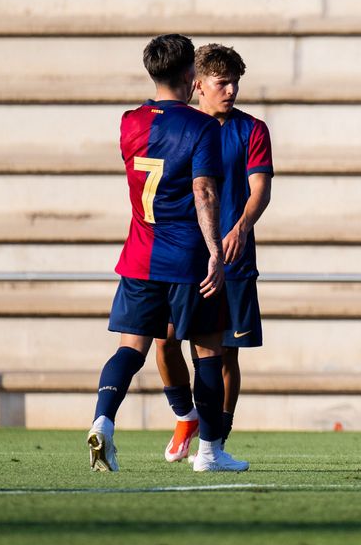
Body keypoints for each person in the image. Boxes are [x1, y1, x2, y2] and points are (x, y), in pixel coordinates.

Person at [87, 33, 246, 473]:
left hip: (139, 255)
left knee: (130, 350)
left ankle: (103, 420)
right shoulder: (201, 126)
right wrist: (215, 251)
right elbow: (205, 191)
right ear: (191, 75)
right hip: (188, 259)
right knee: (209, 353)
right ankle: (210, 453)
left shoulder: (129, 121)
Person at [155, 44, 273, 463]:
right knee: (165, 340)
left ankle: (216, 440)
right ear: (198, 84)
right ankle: (185, 415)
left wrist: (241, 226)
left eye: (236, 81)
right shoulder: (178, 127)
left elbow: (261, 187)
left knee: (225, 351)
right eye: (222, 82)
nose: (232, 90)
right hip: (182, 255)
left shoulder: (252, 129)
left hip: (233, 258)